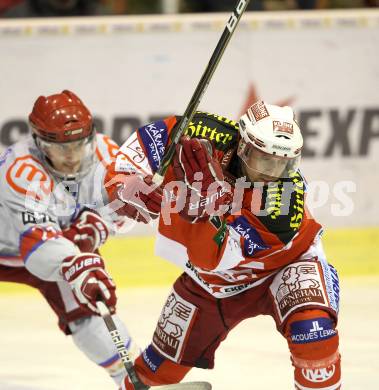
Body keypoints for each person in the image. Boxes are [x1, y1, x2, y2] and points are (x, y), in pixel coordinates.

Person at [105, 101, 341, 390]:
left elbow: (214, 259)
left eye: (285, 164)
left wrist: (205, 209)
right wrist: (124, 183)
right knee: (157, 370)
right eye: (266, 161)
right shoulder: (202, 131)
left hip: (284, 266)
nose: (273, 173)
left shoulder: (283, 205)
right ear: (243, 146)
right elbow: (141, 147)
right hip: (210, 284)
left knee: (314, 335)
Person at [0, 90, 139, 386]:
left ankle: (133, 379)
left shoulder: (106, 153)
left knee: (88, 308)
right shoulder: (21, 170)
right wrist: (83, 249)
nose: (72, 156)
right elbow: (38, 248)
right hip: (14, 246)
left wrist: (100, 223)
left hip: (57, 245)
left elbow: (129, 206)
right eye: (60, 147)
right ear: (39, 142)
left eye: (79, 144)